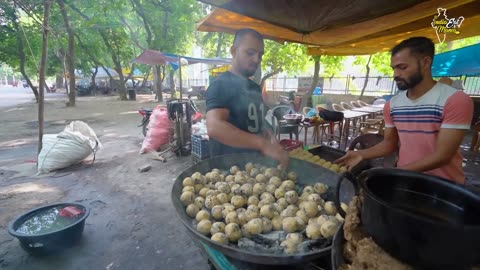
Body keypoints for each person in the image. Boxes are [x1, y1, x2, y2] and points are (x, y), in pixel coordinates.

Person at [336, 37, 473, 184]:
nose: (395, 75)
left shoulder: (455, 100)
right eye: (394, 68)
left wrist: (395, 172)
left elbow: (443, 155)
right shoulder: (393, 104)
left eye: (402, 67)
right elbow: (390, 143)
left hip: (444, 186)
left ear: (425, 62)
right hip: (405, 180)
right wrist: (361, 154)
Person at [205, 28, 288, 167]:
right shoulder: (220, 84)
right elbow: (215, 127)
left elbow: (257, 122)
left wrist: (269, 136)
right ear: (233, 51)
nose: (256, 59)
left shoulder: (255, 88)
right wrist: (262, 144)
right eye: (250, 53)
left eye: (260, 55)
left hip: (257, 170)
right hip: (228, 173)